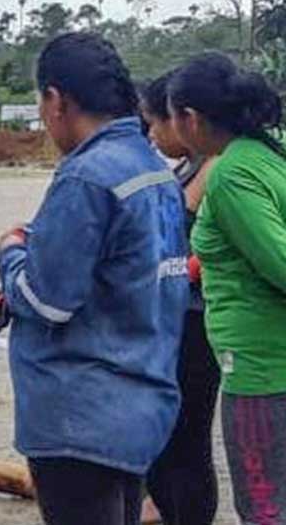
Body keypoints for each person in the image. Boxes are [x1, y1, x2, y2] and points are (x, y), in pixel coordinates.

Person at [0, 33, 190, 525]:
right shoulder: (153, 169)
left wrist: (12, 253)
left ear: (56, 100)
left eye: (41, 102)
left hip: (81, 414)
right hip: (141, 402)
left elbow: (48, 299)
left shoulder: (86, 176)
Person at [167, 52, 286, 525]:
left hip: (260, 371)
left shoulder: (232, 174)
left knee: (262, 508)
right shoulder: (272, 152)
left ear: (190, 118)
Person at [140, 72, 220, 525]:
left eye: (158, 121)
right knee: (166, 435)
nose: (153, 132)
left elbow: (207, 248)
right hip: (174, 314)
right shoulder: (191, 164)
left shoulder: (217, 170)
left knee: (187, 439)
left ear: (186, 119)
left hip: (196, 319)